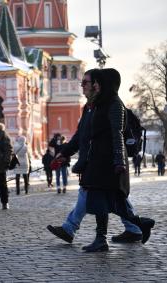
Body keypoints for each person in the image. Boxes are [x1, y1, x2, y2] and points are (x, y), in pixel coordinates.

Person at [47, 69, 145, 250]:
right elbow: (80, 136)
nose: (82, 86)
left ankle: (84, 232)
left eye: (85, 82)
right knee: (104, 196)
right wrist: (65, 153)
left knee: (102, 196)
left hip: (107, 162)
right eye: (82, 82)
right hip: (93, 161)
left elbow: (117, 134)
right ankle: (135, 226)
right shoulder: (90, 107)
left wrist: (119, 162)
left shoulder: (112, 104)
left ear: (96, 85)